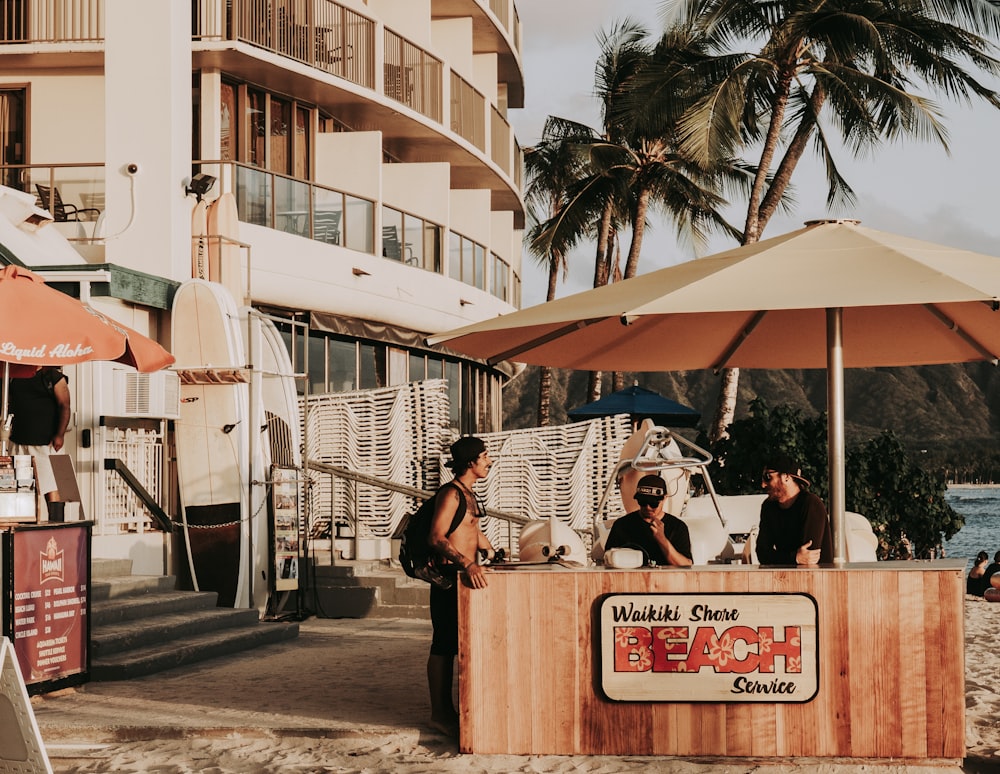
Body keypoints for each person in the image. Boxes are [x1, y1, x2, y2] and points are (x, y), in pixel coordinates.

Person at [426, 436, 495, 737]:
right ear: (471, 462)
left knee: (459, 645)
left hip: (463, 579)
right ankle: (439, 713)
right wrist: (467, 563)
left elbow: (469, 529)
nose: (489, 460)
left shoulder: (468, 493)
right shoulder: (450, 494)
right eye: (485, 455)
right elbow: (437, 537)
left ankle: (453, 710)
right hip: (447, 579)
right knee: (443, 645)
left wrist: (490, 550)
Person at [7, 365, 71, 521]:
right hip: (19, 440)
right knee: (23, 486)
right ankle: (26, 527)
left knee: (54, 484)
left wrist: (60, 434)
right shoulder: (13, 375)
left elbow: (65, 405)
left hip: (47, 442)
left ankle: (57, 524)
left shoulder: (53, 375)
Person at [755, 454, 833, 565]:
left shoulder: (811, 504)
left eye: (768, 477)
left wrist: (780, 558)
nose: (763, 484)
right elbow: (762, 553)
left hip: (817, 579)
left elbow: (809, 558)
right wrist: (794, 557)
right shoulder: (769, 507)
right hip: (783, 579)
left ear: (786, 477)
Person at [604, 474, 693, 567]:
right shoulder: (622, 525)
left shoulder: (677, 527)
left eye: (653, 503)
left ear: (664, 498)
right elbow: (608, 561)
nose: (648, 507)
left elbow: (685, 565)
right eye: (642, 502)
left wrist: (662, 539)